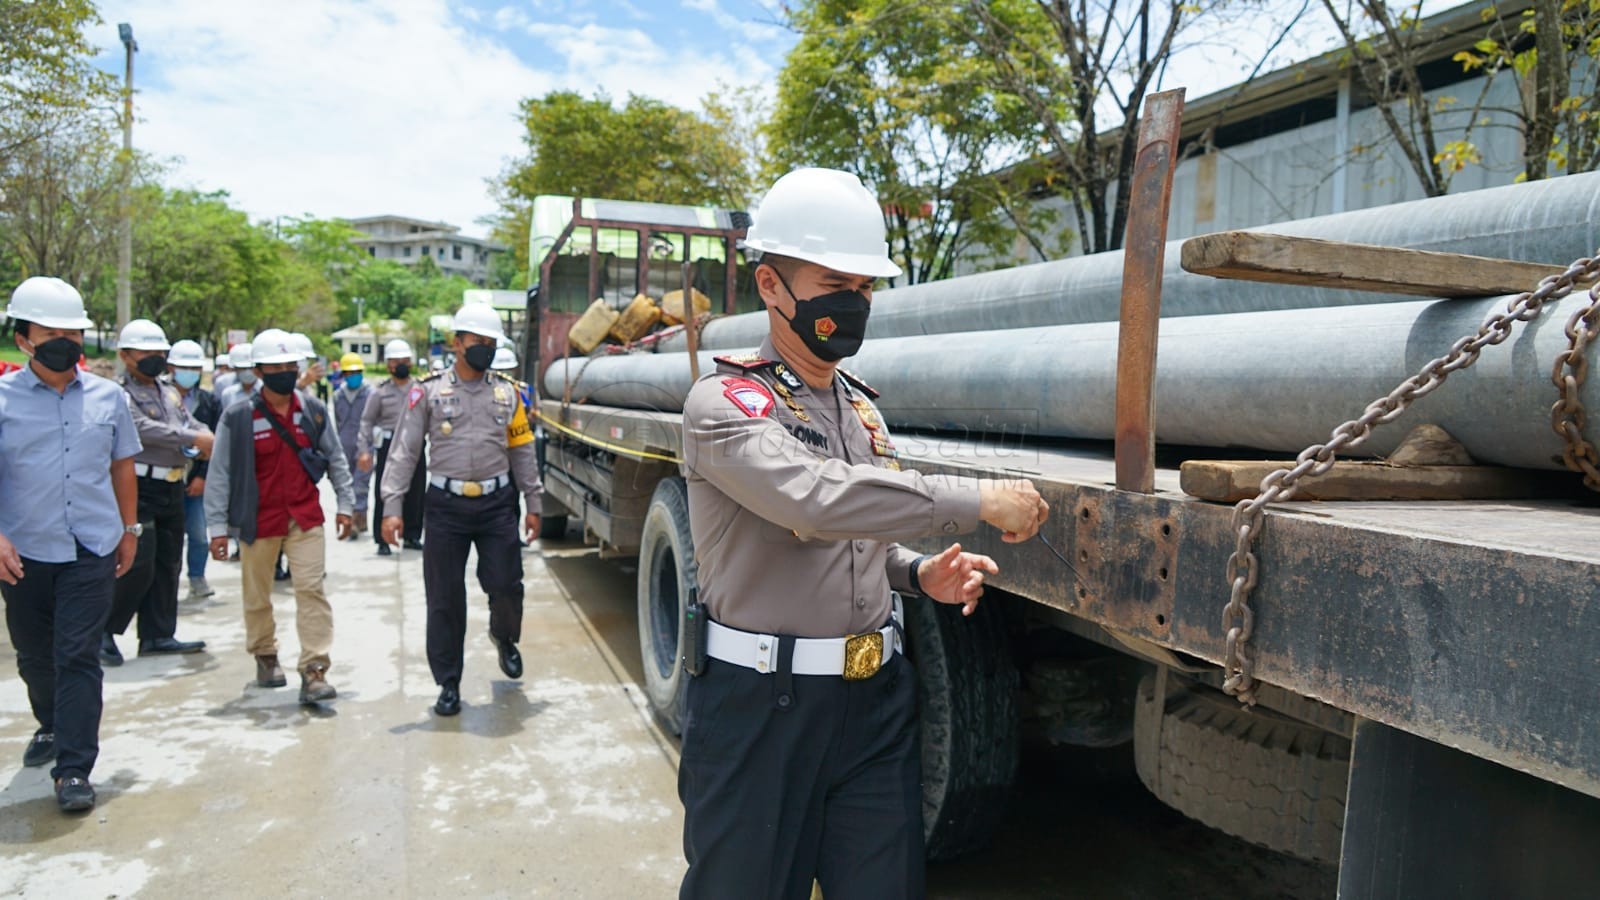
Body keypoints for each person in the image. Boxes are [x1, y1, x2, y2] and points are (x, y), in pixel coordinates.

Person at [676, 168, 1050, 899]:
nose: (853, 302)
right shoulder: (724, 403)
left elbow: (862, 538)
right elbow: (814, 503)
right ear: (771, 286)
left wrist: (917, 574)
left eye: (866, 287)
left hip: (874, 700)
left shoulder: (859, 409)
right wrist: (978, 498)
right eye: (834, 281)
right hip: (761, 706)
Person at [0, 277, 143, 813]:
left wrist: (128, 530)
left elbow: (121, 465)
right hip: (24, 553)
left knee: (78, 654)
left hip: (92, 546)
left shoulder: (108, 397)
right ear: (25, 338)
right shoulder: (4, 398)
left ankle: (74, 768)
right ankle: (50, 724)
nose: (66, 340)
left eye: (73, 331)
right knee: (35, 655)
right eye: (51, 331)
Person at [380, 304, 541, 716]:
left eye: (491, 343)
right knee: (445, 599)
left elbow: (522, 451)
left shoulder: (508, 393)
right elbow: (403, 451)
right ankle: (448, 682)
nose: (484, 349)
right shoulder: (428, 391)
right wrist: (392, 505)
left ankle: (504, 636)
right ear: (457, 343)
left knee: (506, 585)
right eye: (477, 342)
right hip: (446, 508)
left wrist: (533, 501)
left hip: (497, 505)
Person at [203, 328, 356, 705]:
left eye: (291, 365)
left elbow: (336, 459)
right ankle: (265, 655)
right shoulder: (238, 416)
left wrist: (347, 505)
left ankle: (314, 669)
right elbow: (220, 472)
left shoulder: (313, 412)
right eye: (277, 366)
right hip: (257, 521)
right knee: (258, 595)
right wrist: (217, 528)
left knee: (311, 589)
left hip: (304, 517)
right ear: (258, 370)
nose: (286, 372)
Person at [103, 319, 210, 666]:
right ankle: (103, 631)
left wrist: (203, 435)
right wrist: (190, 439)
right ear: (125, 355)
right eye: (145, 352)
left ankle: (157, 633)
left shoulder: (168, 391)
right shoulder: (120, 393)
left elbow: (188, 422)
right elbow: (142, 429)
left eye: (159, 352)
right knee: (139, 561)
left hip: (172, 483)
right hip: (138, 485)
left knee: (168, 560)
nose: (154, 358)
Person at [358, 340, 424, 556]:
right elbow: (367, 421)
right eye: (396, 361)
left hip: (415, 445)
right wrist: (364, 450)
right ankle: (382, 539)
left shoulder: (419, 389)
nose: (401, 365)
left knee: (416, 490)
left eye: (405, 361)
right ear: (388, 365)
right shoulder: (380, 392)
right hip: (388, 445)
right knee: (385, 491)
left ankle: (412, 535)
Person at [168, 340, 223, 600]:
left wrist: (201, 475)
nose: (189, 372)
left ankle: (197, 577)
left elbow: (215, 442)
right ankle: (166, 582)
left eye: (194, 367)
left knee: (199, 534)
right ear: (171, 367)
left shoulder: (209, 402)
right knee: (169, 539)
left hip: (196, 483)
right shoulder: (159, 398)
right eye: (183, 367)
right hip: (165, 481)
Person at [332, 352, 372, 538]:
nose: (353, 376)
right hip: (344, 444)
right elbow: (337, 421)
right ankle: (350, 515)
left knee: (361, 482)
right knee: (346, 482)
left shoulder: (370, 394)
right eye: (349, 372)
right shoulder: (338, 395)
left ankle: (358, 518)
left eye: (356, 372)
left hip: (364, 444)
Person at [216, 342, 258, 410]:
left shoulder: (267, 391)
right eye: (243, 368)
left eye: (250, 368)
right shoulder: (227, 393)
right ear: (234, 368)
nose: (247, 372)